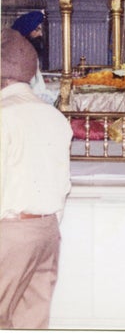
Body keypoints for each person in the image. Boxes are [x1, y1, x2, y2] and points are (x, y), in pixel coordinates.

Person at [0, 28, 73, 329]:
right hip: (47, 232)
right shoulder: (53, 116)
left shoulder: (4, 115)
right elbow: (62, 182)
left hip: (10, 233)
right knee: (30, 324)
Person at [10, 11, 57, 105]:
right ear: (26, 32)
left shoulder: (30, 52)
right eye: (37, 30)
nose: (41, 34)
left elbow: (39, 86)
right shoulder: (19, 55)